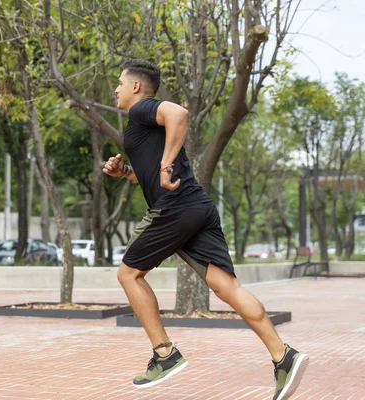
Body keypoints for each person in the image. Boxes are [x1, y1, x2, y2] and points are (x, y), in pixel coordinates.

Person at [102, 60, 308, 400]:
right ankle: (283, 355)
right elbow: (150, 172)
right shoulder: (140, 126)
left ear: (136, 87)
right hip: (197, 206)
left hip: (175, 208)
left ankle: (165, 354)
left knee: (128, 275)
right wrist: (125, 172)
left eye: (120, 83)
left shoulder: (141, 111)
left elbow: (179, 114)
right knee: (225, 286)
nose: (116, 89)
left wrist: (167, 165)